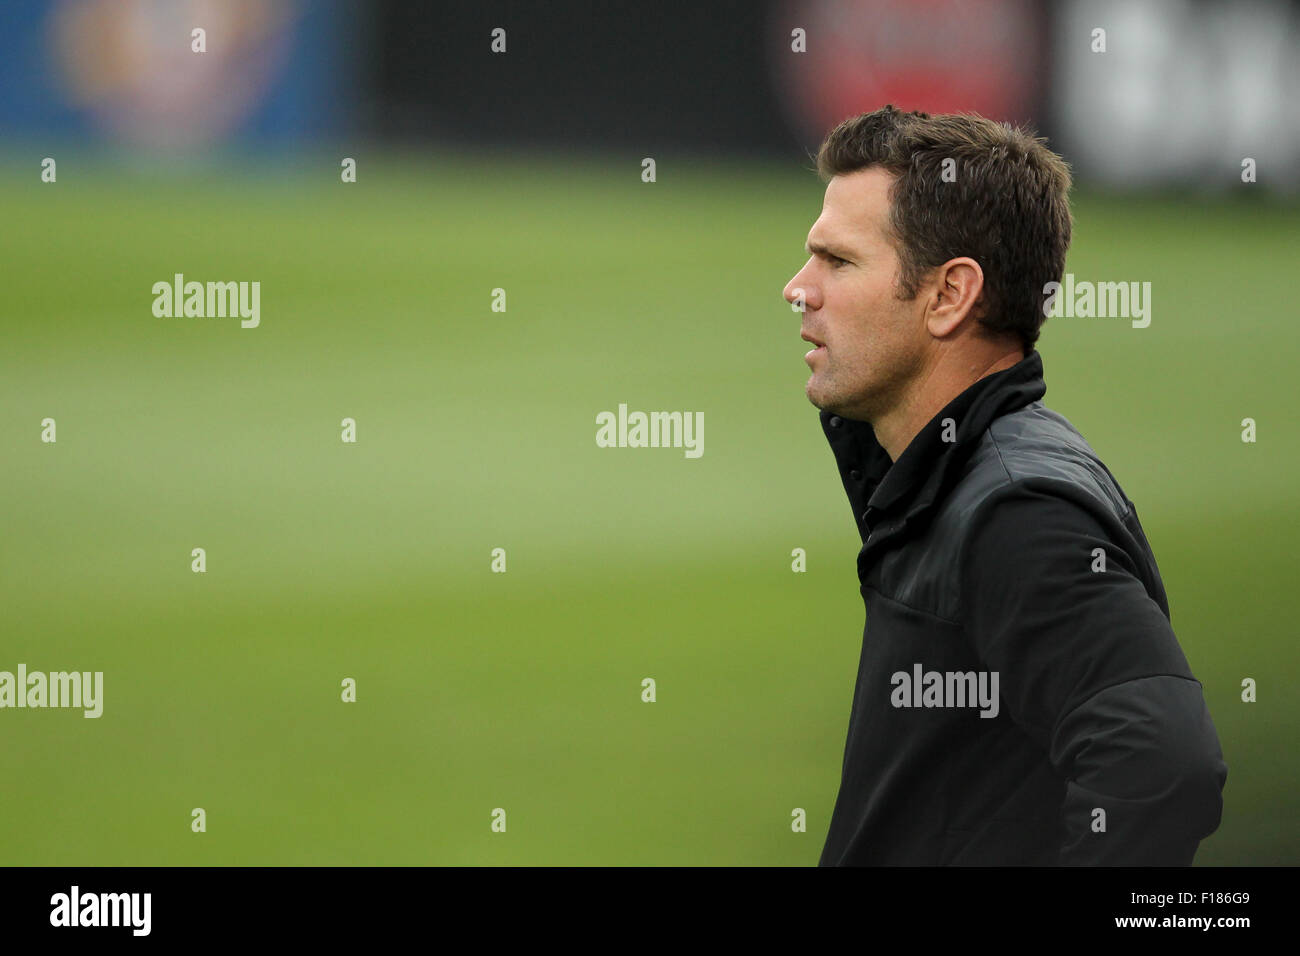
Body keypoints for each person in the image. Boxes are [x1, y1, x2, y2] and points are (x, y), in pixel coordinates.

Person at [784, 105, 1226, 865]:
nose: (798, 289)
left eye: (839, 261)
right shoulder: (946, 476)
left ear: (950, 295)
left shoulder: (1018, 511)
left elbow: (1166, 767)